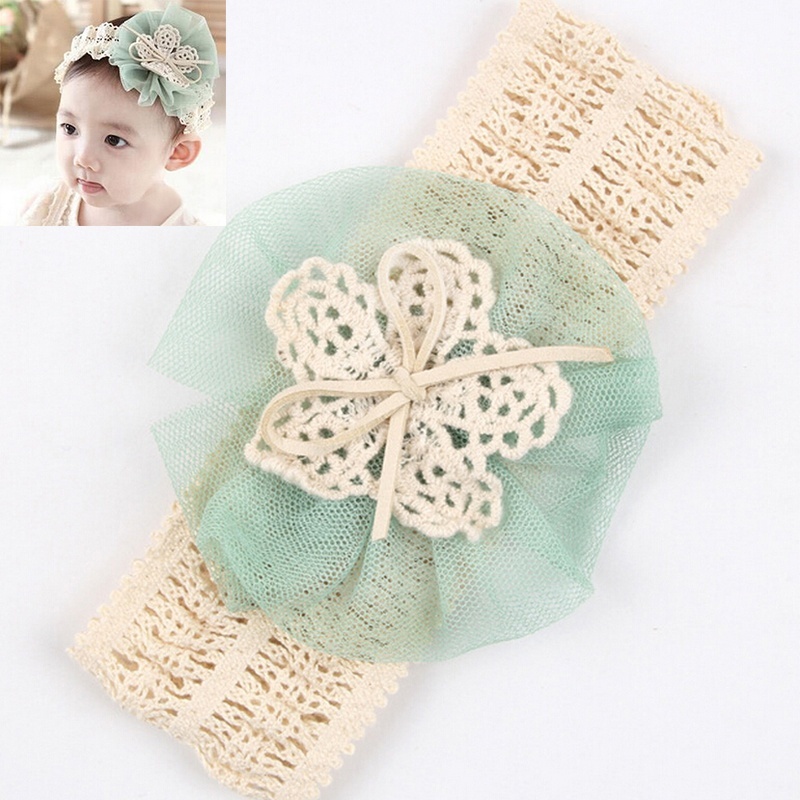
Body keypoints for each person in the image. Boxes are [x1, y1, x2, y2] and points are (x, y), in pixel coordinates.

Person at [20, 3, 218, 226]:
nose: (83, 158)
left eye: (114, 140)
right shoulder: (43, 207)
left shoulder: (188, 238)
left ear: (177, 153)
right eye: (70, 128)